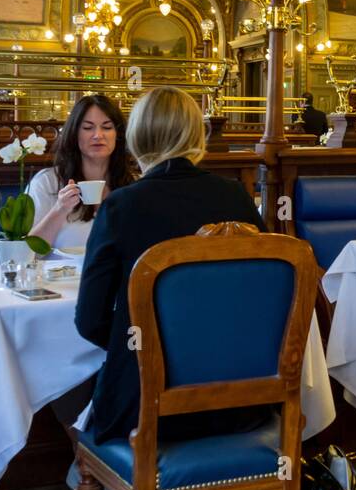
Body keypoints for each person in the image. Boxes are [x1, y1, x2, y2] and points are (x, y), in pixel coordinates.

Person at [75, 85, 265, 444]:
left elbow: (89, 321)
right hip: (241, 403)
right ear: (197, 133)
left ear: (135, 135)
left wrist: (145, 351)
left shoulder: (121, 206)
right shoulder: (237, 197)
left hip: (146, 410)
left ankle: (99, 485)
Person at [27, 95, 134, 254]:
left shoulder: (133, 184)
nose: (98, 135)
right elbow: (28, 251)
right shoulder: (47, 182)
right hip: (60, 276)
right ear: (74, 133)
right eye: (88, 128)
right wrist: (60, 208)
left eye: (106, 127)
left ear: (118, 135)